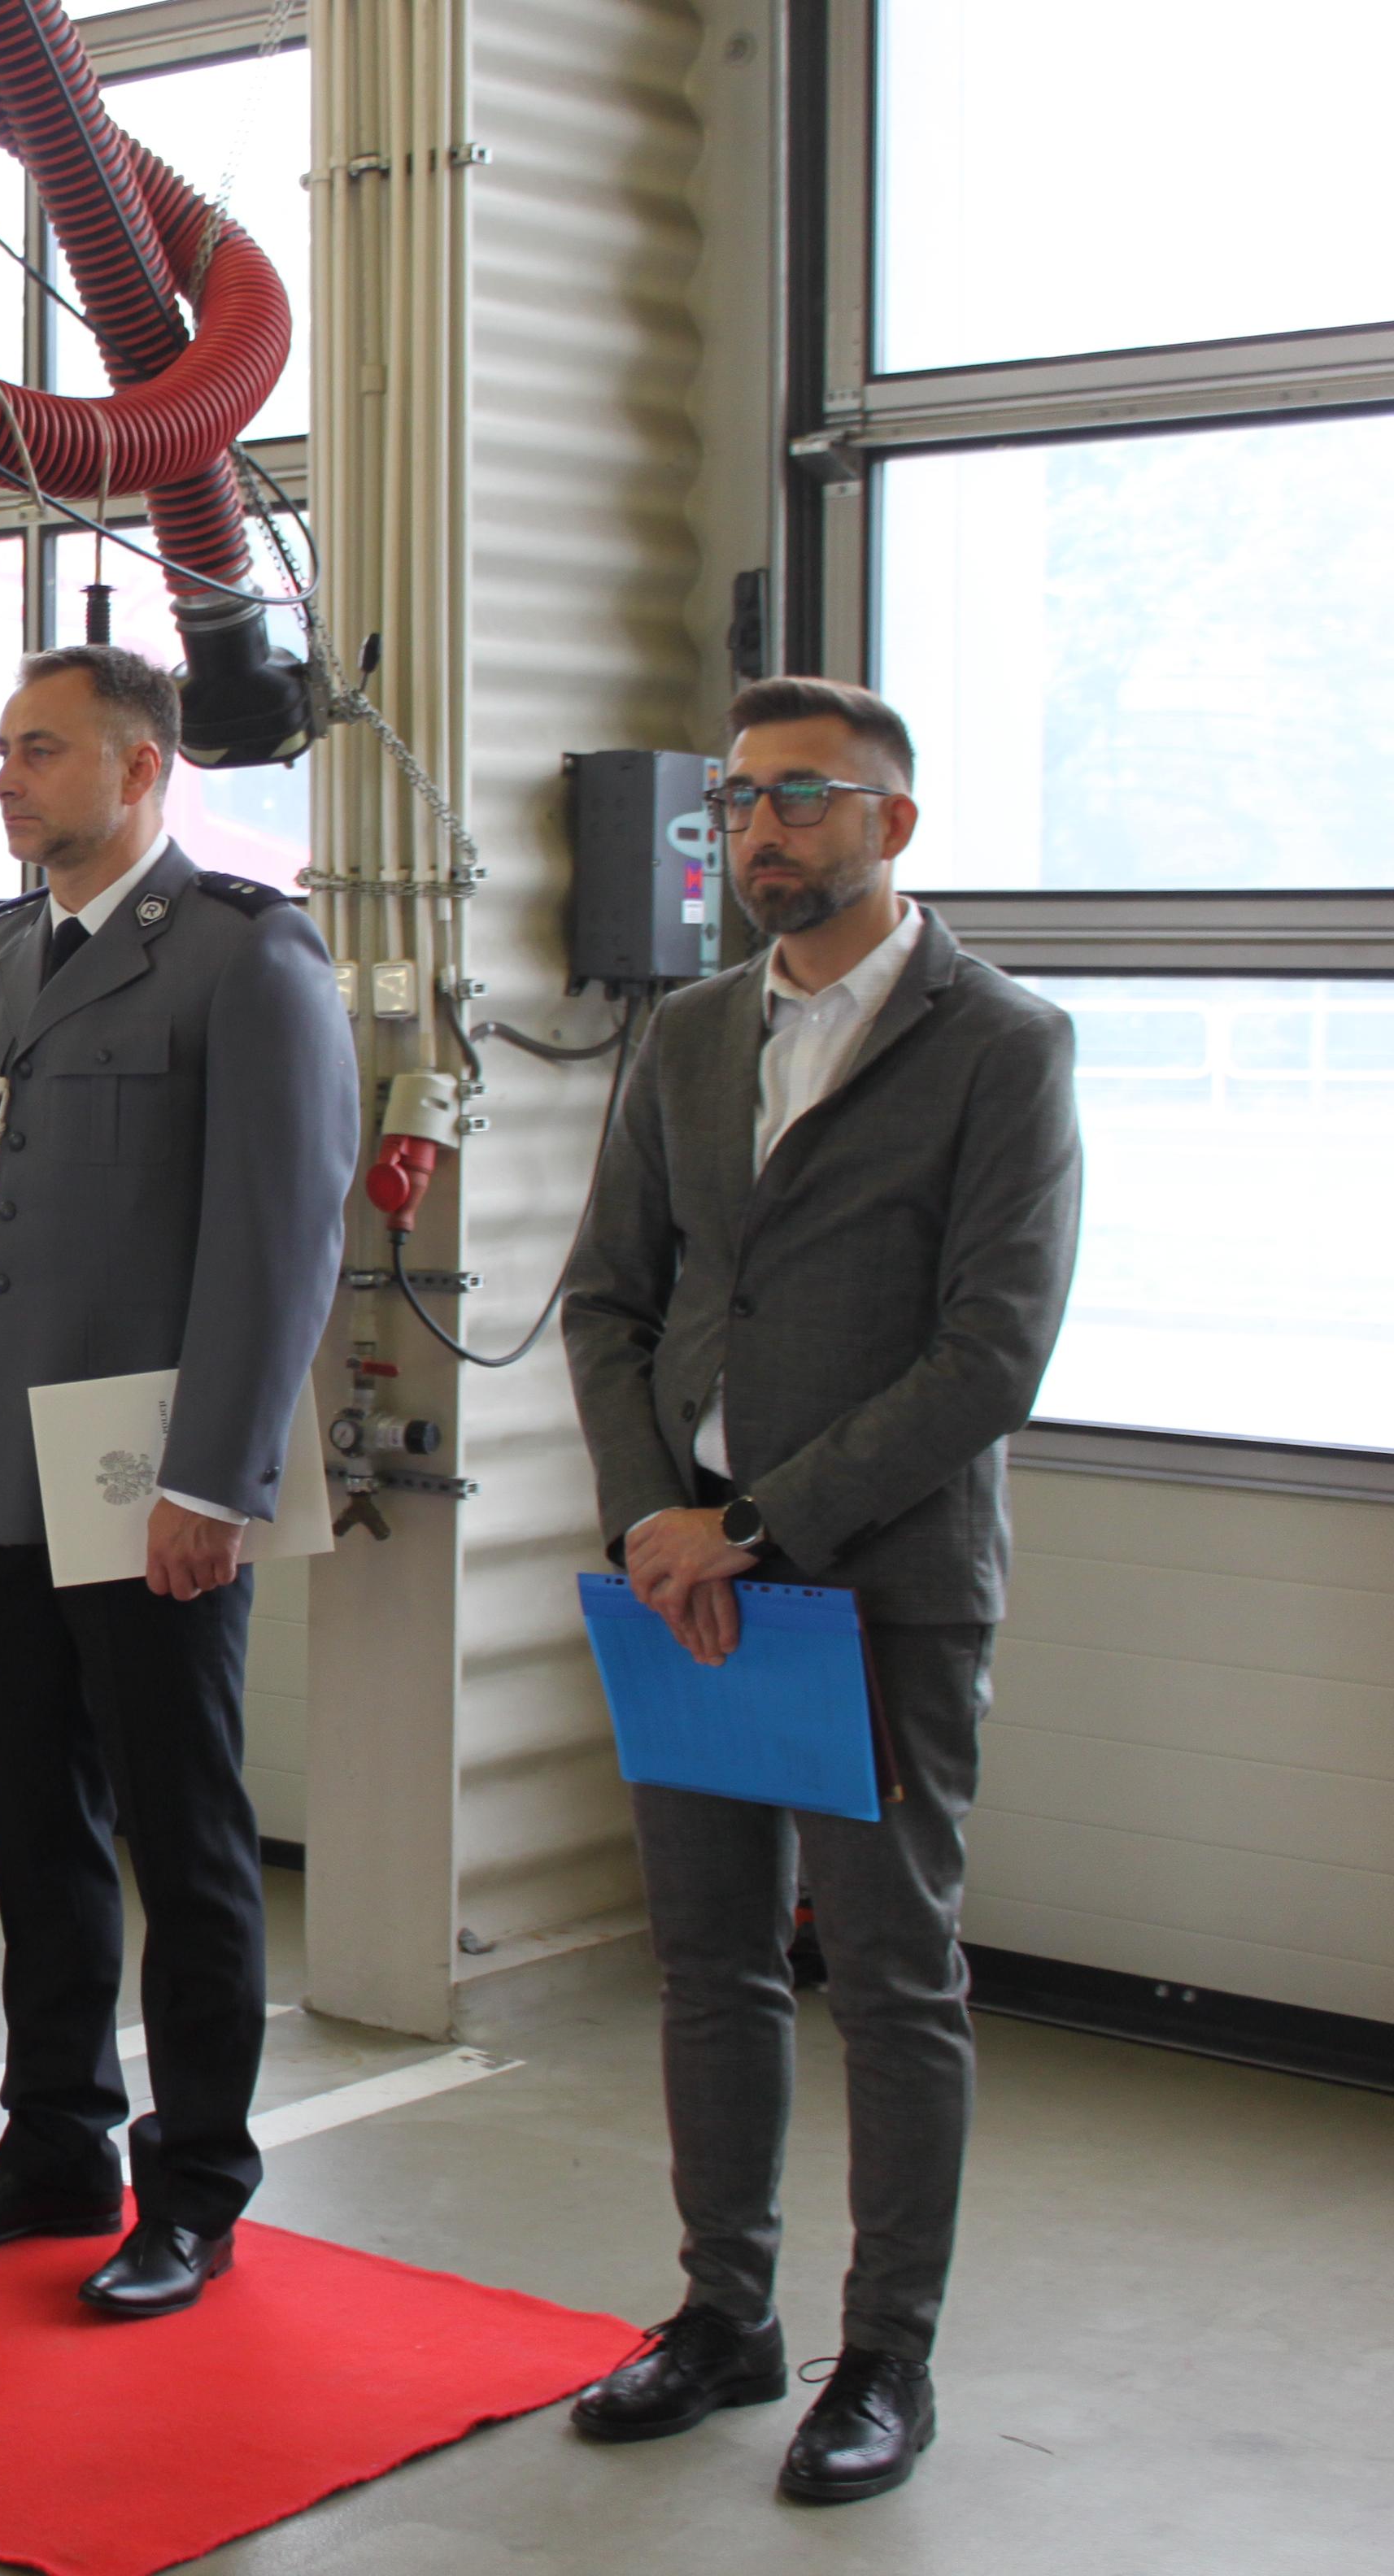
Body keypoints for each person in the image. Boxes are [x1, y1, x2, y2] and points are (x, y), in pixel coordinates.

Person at [560, 676, 1079, 2505]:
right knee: (709, 1962)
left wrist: (758, 1526)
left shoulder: (1001, 1043)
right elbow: (607, 1298)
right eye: (735, 802)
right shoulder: (696, 1031)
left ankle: (885, 2360)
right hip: (684, 1576)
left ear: (891, 824)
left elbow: (990, 1354)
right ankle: (725, 2316)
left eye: (799, 797)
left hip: (872, 1585)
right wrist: (653, 1514)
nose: (758, 831)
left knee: (889, 1974)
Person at [0, 646, 354, 2317]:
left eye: (41, 751)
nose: (4, 780)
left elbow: (280, 1240)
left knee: (183, 1833)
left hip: (147, 1477)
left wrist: (216, 1478)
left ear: (141, 767)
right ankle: (55, 2138)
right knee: (34, 1826)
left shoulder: (240, 952)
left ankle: (196, 2183)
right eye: (2, 749)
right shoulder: (0, 957)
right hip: (0, 1467)